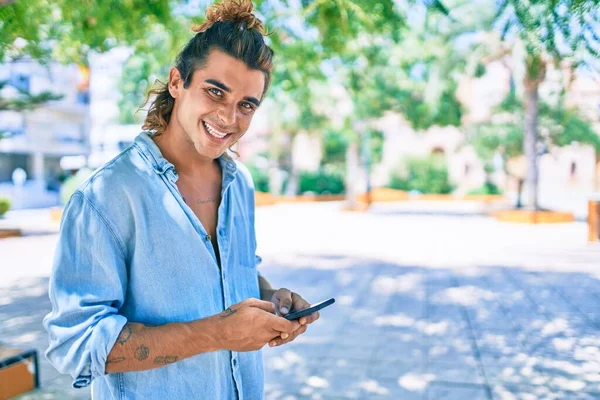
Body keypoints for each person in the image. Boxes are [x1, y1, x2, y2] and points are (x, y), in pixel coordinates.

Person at [43, 1, 319, 398]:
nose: (228, 117)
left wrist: (271, 299)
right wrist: (218, 333)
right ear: (177, 82)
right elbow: (76, 343)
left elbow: (230, 276)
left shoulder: (238, 184)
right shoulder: (105, 197)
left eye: (246, 105)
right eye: (215, 92)